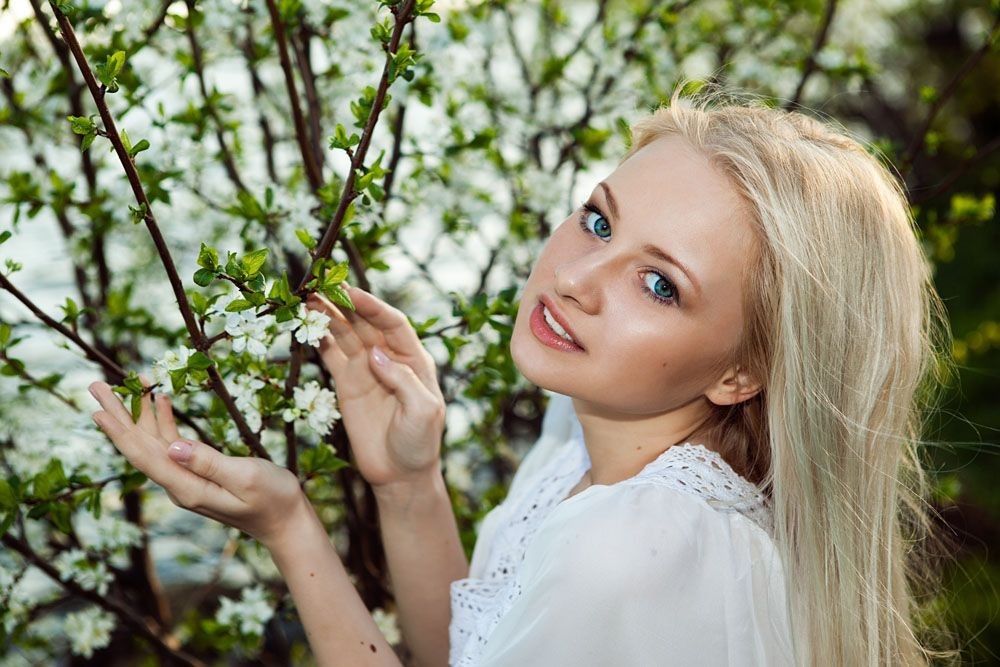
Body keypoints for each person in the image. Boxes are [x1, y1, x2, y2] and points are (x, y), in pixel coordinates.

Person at [87, 89, 956, 666]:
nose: (576, 278)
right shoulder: (587, 437)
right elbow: (472, 647)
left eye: (660, 283)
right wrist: (409, 481)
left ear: (740, 372)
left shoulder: (635, 546)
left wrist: (289, 524)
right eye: (598, 219)